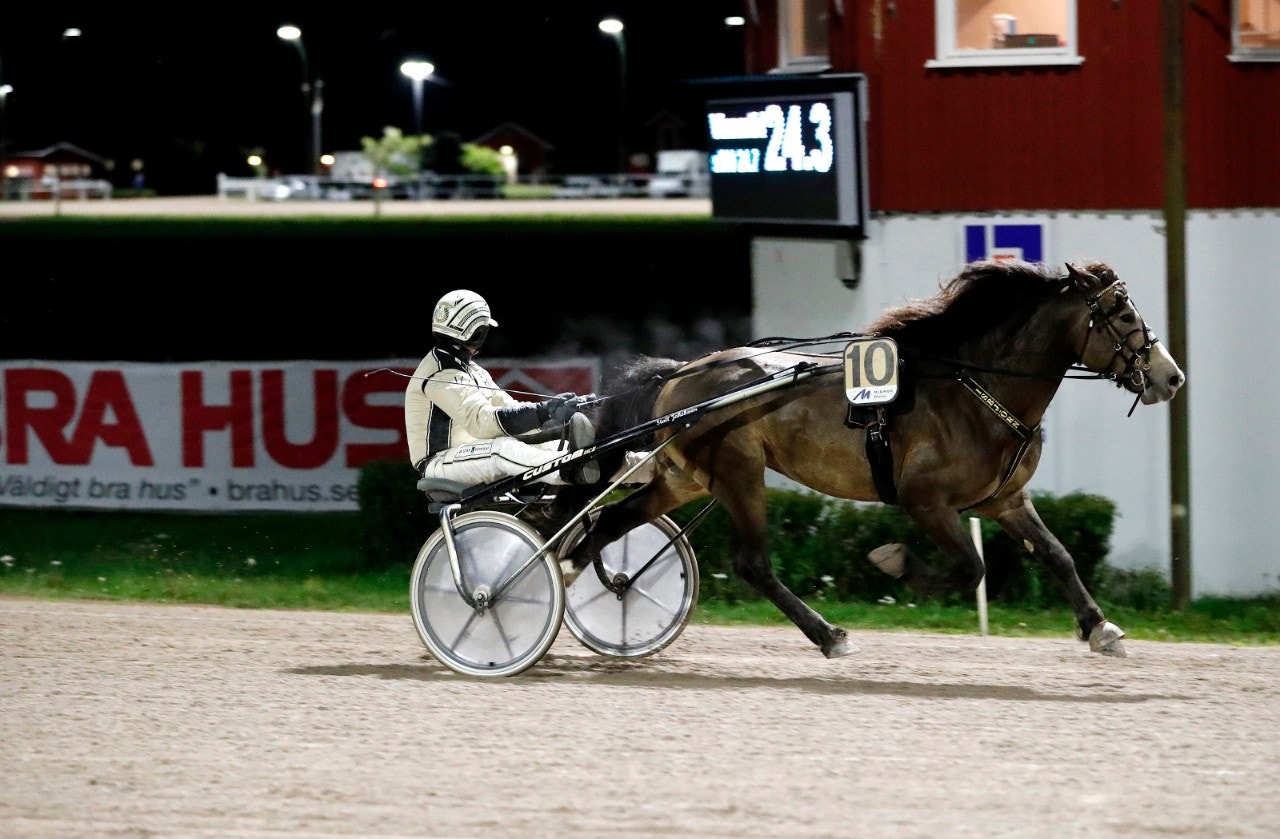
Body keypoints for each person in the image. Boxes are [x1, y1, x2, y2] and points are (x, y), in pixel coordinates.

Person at [406, 289, 601, 488]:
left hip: (468, 454)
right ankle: (569, 469)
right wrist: (545, 411)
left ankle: (630, 470)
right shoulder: (440, 373)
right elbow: (482, 422)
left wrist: (556, 413)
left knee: (550, 447)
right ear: (476, 332)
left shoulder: (472, 370)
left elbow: (508, 409)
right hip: (438, 462)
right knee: (503, 449)